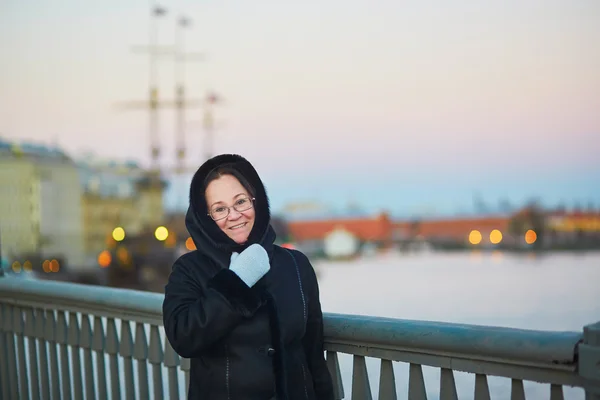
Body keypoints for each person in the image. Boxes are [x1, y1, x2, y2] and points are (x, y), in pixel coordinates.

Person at [163, 154, 335, 400]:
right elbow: (183, 337)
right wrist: (236, 282)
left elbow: (313, 354)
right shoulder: (189, 269)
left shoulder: (296, 265)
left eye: (241, 202)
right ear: (205, 218)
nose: (234, 215)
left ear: (258, 202)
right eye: (220, 209)